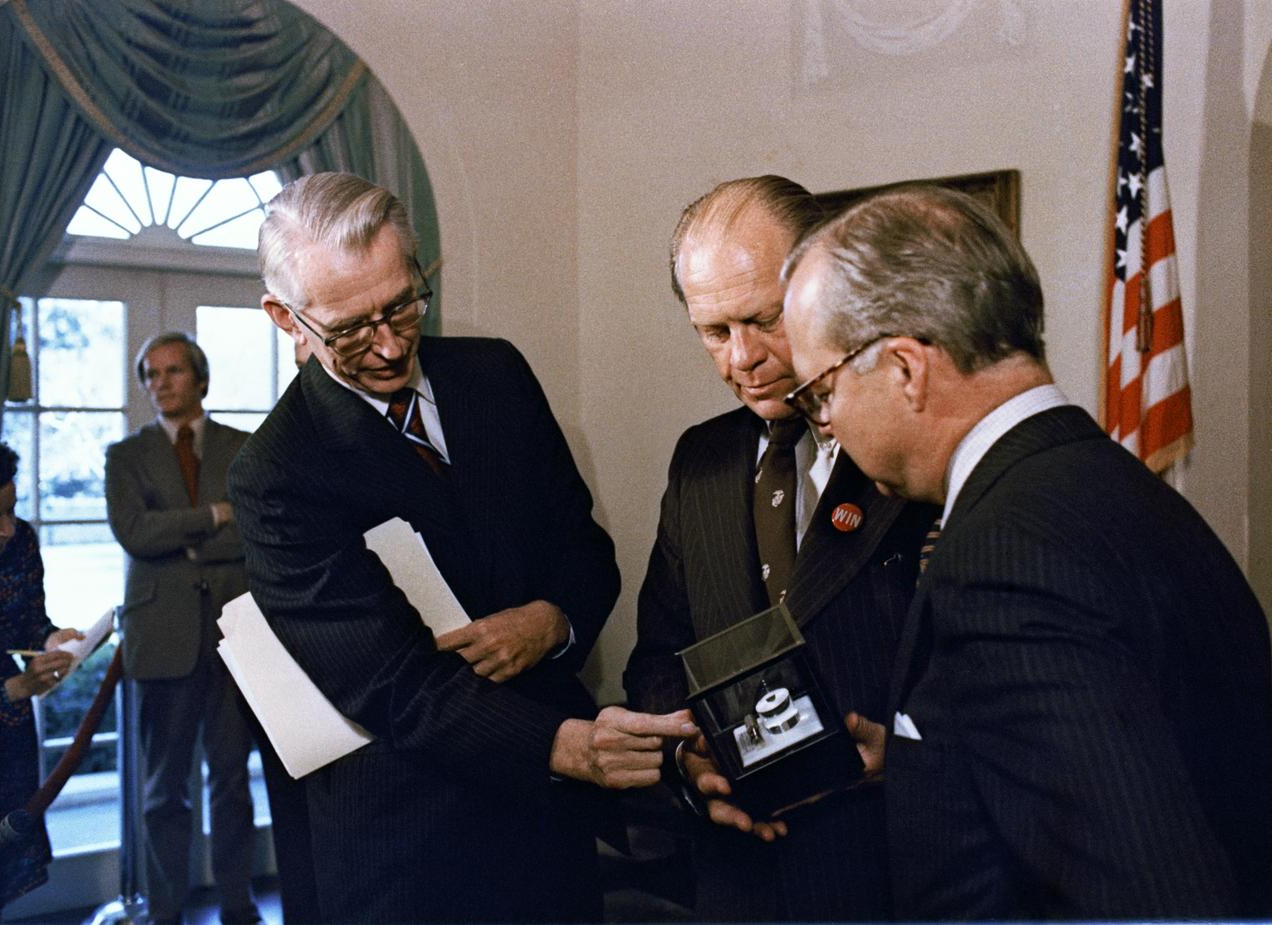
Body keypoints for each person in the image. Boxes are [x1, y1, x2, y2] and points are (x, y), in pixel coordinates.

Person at [781, 183, 1272, 919]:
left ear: (907, 369)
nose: (827, 423)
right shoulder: (1114, 489)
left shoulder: (1001, 561)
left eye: (819, 392)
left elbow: (1154, 896)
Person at [227, 171, 694, 923]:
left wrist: (554, 619)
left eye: (403, 306)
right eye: (349, 329)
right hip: (408, 849)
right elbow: (393, 686)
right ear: (286, 318)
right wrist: (566, 745)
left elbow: (582, 546)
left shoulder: (496, 375)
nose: (387, 346)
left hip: (547, 831)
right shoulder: (276, 471)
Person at [623, 176, 937, 921]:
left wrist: (908, 757)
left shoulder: (919, 445)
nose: (743, 358)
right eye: (714, 331)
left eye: (763, 320)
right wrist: (689, 763)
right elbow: (660, 658)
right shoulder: (700, 460)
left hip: (899, 874)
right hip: (742, 881)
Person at [105, 334, 257, 925]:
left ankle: (238, 907)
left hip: (232, 637)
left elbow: (251, 531)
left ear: (200, 378)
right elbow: (135, 534)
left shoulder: (243, 449)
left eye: (173, 371)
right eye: (151, 374)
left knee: (231, 784)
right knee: (164, 791)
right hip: (161, 640)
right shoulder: (126, 457)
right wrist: (213, 516)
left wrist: (185, 536)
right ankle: (165, 913)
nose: (161, 383)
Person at [0, 443, 81, 921]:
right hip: (3, 698)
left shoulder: (20, 540)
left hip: (5, 737)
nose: (8, 527)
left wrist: (51, 639)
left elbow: (28, 617)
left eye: (12, 508)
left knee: (0, 871)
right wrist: (16, 689)